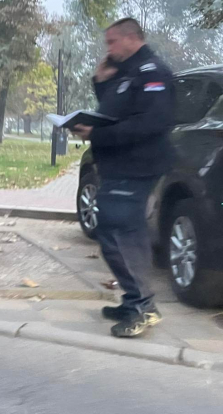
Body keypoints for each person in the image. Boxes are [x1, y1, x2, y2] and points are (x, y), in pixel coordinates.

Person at [71, 17, 175, 338]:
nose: (108, 48)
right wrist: (101, 82)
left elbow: (153, 123)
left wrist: (97, 136)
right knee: (111, 233)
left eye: (112, 42)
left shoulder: (152, 72)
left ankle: (143, 306)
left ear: (132, 38)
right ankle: (133, 300)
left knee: (122, 235)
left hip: (137, 166)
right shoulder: (126, 72)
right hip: (118, 166)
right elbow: (113, 110)